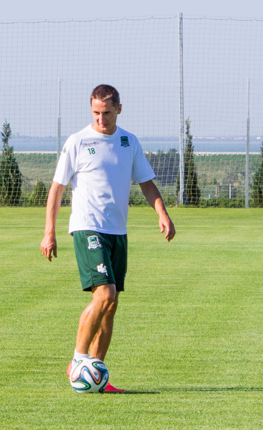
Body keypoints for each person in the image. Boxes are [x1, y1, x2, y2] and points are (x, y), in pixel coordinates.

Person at [41, 84, 175, 392]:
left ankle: (97, 375)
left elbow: (147, 183)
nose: (101, 119)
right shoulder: (77, 141)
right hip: (88, 227)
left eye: (107, 113)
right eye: (96, 113)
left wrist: (162, 213)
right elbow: (57, 188)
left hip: (118, 231)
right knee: (104, 294)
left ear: (119, 110)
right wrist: (49, 232)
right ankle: (78, 361)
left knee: (110, 304)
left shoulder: (129, 141)